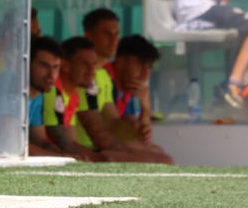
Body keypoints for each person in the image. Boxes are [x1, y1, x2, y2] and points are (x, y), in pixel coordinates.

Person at [56, 36, 172, 164]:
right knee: (162, 159)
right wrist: (125, 153)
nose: (91, 71)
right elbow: (94, 131)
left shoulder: (101, 79)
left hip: (93, 149)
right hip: (91, 148)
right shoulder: (87, 85)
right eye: (139, 64)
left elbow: (115, 122)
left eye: (93, 64)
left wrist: (145, 106)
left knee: (159, 156)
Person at [26, 37, 87, 159]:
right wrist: (61, 157)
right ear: (27, 63)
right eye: (44, 66)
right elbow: (13, 147)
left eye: (55, 67)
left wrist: (72, 156)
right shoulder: (10, 88)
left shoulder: (38, 96)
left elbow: (41, 141)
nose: (51, 75)